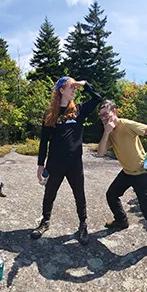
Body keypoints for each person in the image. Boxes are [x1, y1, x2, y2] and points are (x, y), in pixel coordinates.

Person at [33, 76, 104, 244]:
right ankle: (45, 222)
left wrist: (84, 84)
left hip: (74, 164)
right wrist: (40, 164)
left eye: (74, 87)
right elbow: (44, 142)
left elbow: (97, 98)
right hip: (54, 163)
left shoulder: (79, 110)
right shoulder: (50, 114)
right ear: (61, 90)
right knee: (49, 193)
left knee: (79, 193)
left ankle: (83, 224)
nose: (74, 89)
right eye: (70, 86)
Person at [97, 100, 147, 256]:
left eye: (106, 115)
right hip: (127, 172)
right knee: (111, 195)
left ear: (114, 112)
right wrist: (107, 132)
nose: (103, 118)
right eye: (101, 116)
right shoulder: (109, 131)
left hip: (142, 172)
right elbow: (100, 153)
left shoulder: (127, 125)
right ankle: (121, 221)